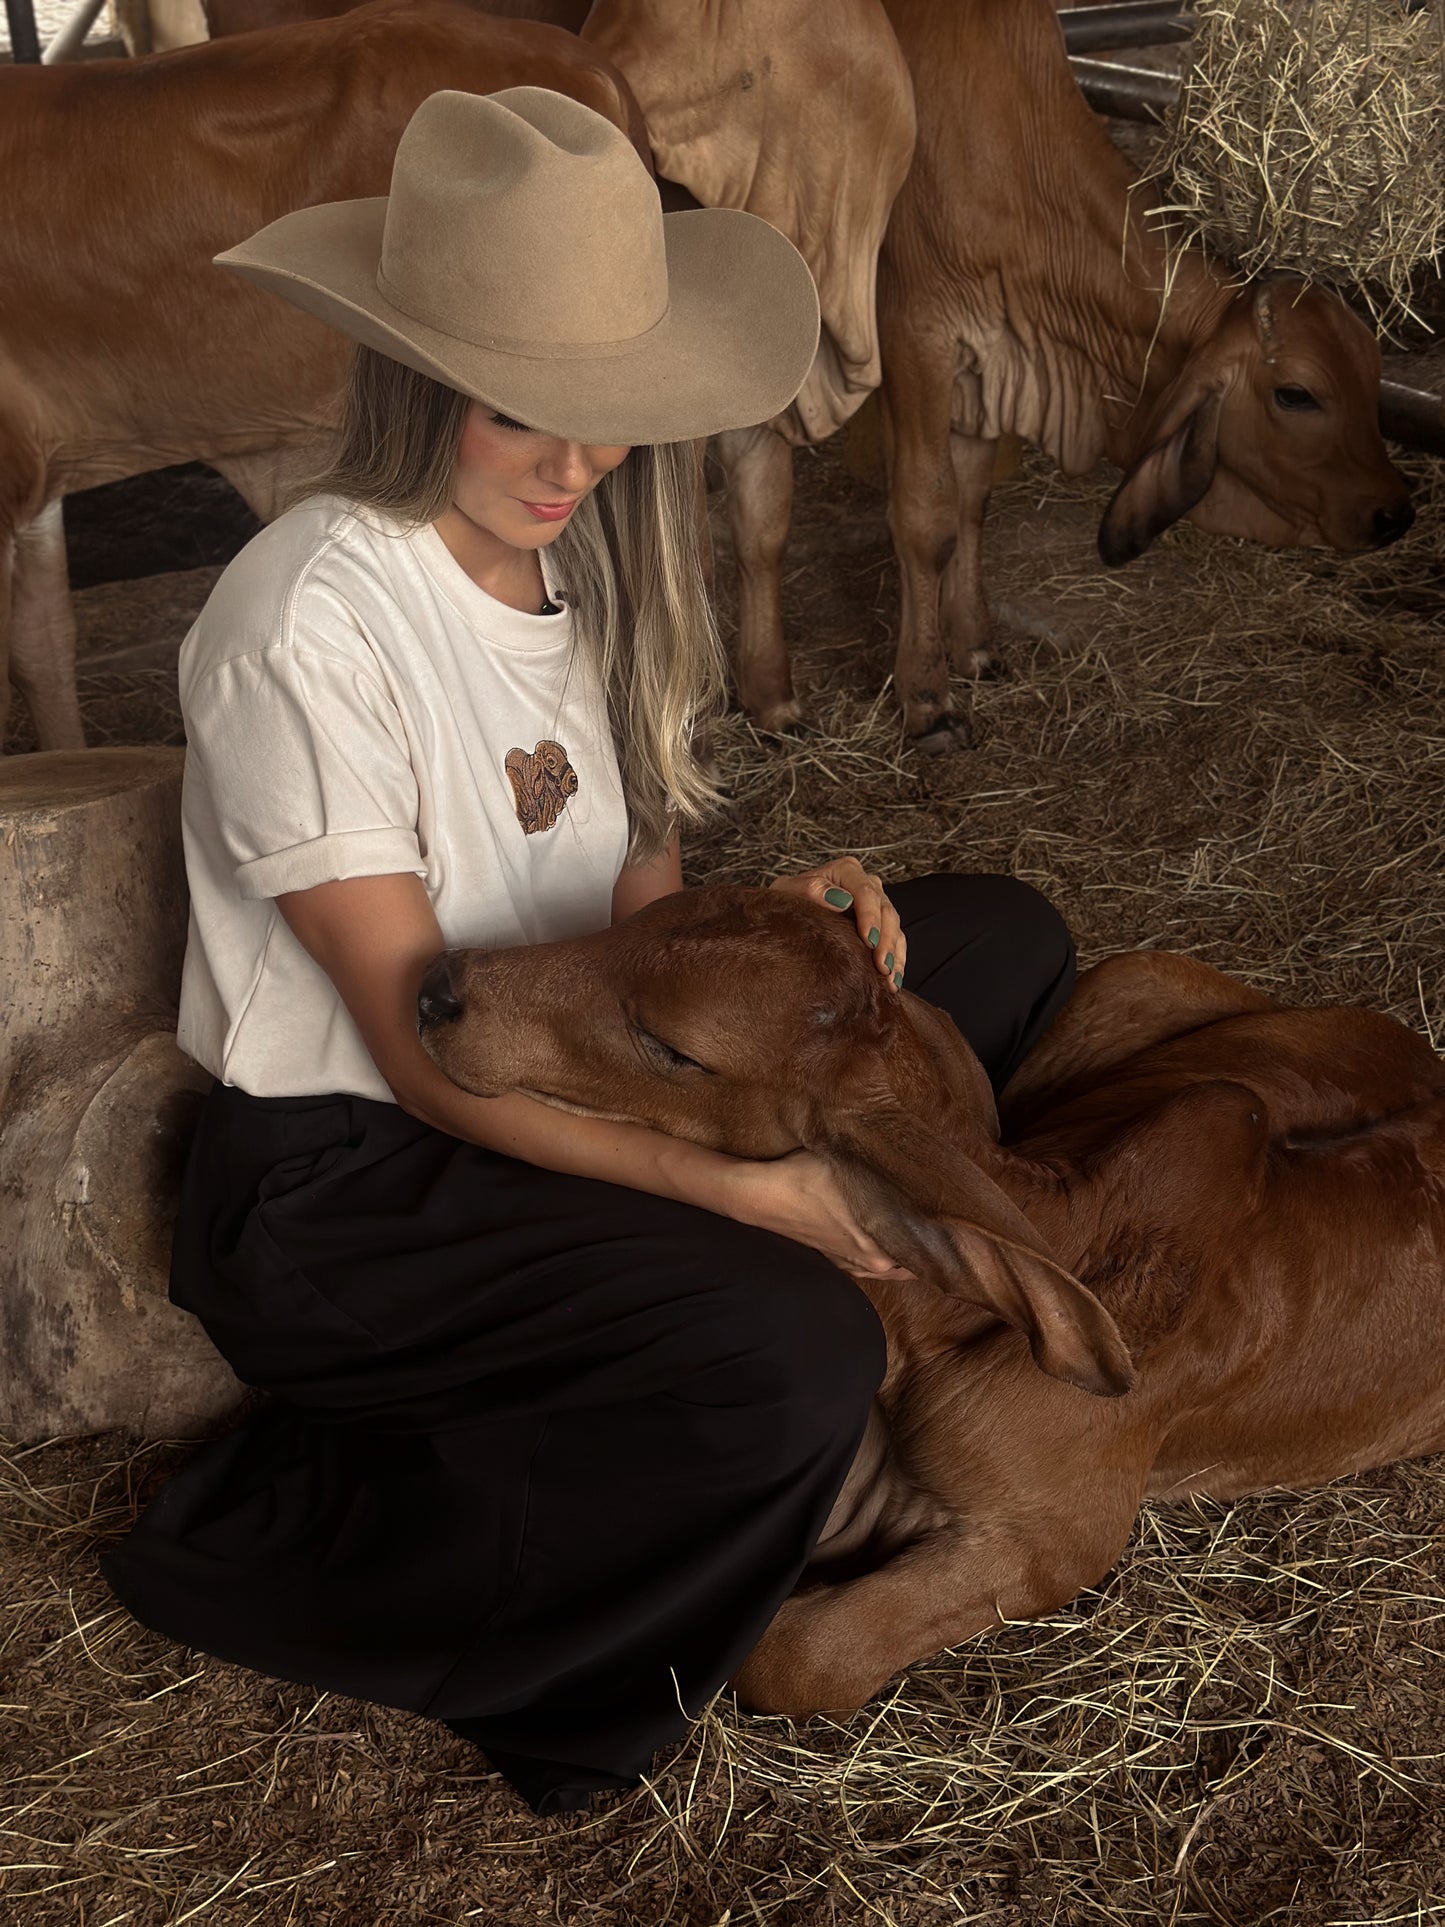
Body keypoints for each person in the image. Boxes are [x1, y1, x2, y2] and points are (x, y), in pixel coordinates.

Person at [101, 87, 1076, 1816]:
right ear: (415, 386)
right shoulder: (305, 619)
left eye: (606, 419)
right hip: (354, 1181)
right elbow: (424, 1042)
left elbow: (640, 926)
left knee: (994, 943)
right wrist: (750, 1196)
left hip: (566, 1047)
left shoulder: (594, 564)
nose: (575, 465)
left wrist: (790, 947)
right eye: (520, 418)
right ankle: (334, 1547)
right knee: (792, 1346)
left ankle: (719, 1390)